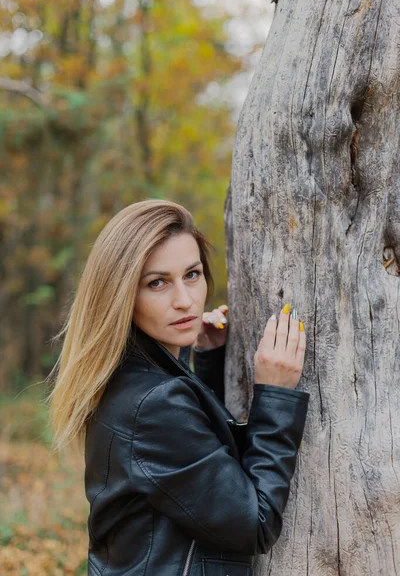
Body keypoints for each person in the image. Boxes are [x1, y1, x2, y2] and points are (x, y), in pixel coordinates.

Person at [48, 199, 309, 576]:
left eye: (192, 274)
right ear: (122, 295)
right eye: (157, 283)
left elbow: (194, 469)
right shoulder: (153, 404)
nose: (185, 300)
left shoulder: (131, 379)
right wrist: (277, 395)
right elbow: (256, 523)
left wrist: (209, 362)